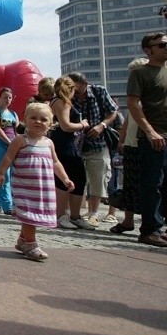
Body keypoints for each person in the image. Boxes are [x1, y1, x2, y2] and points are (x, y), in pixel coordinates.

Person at [0, 103, 74, 261]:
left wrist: (65, 178)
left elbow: (55, 162)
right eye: (33, 118)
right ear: (25, 120)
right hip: (25, 186)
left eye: (43, 119)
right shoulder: (20, 140)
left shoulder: (49, 143)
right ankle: (31, 244)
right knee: (28, 214)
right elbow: (8, 157)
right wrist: (2, 173)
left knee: (34, 214)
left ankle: (23, 240)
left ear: (50, 124)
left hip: (42, 187)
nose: (38, 122)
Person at [126, 33, 167, 247]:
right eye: (162, 45)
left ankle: (161, 227)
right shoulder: (140, 73)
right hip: (154, 138)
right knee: (153, 184)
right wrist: (150, 131)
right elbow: (133, 104)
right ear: (148, 50)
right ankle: (150, 229)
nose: (166, 47)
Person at [68, 71, 118, 228]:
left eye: (76, 88)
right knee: (76, 179)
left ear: (84, 84)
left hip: (98, 142)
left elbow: (113, 112)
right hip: (76, 145)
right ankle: (74, 212)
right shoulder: (68, 96)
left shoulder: (99, 91)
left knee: (98, 177)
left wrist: (101, 126)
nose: (74, 92)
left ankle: (94, 213)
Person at [49, 76, 93, 230]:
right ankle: (63, 215)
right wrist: (82, 124)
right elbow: (66, 126)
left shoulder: (56, 101)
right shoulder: (64, 102)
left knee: (75, 178)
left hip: (64, 144)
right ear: (71, 89)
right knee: (68, 179)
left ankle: (73, 216)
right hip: (66, 144)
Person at [111, 58, 149, 235]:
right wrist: (122, 139)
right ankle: (128, 220)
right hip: (132, 143)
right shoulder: (136, 92)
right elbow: (129, 118)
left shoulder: (151, 91)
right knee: (130, 183)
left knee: (151, 184)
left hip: (147, 142)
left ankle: (149, 221)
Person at [0, 88, 19, 215]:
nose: (8, 100)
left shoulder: (14, 114)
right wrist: (9, 142)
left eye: (10, 98)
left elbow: (16, 130)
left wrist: (17, 143)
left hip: (13, 145)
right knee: (4, 174)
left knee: (11, 175)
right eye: (5, 97)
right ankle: (8, 206)